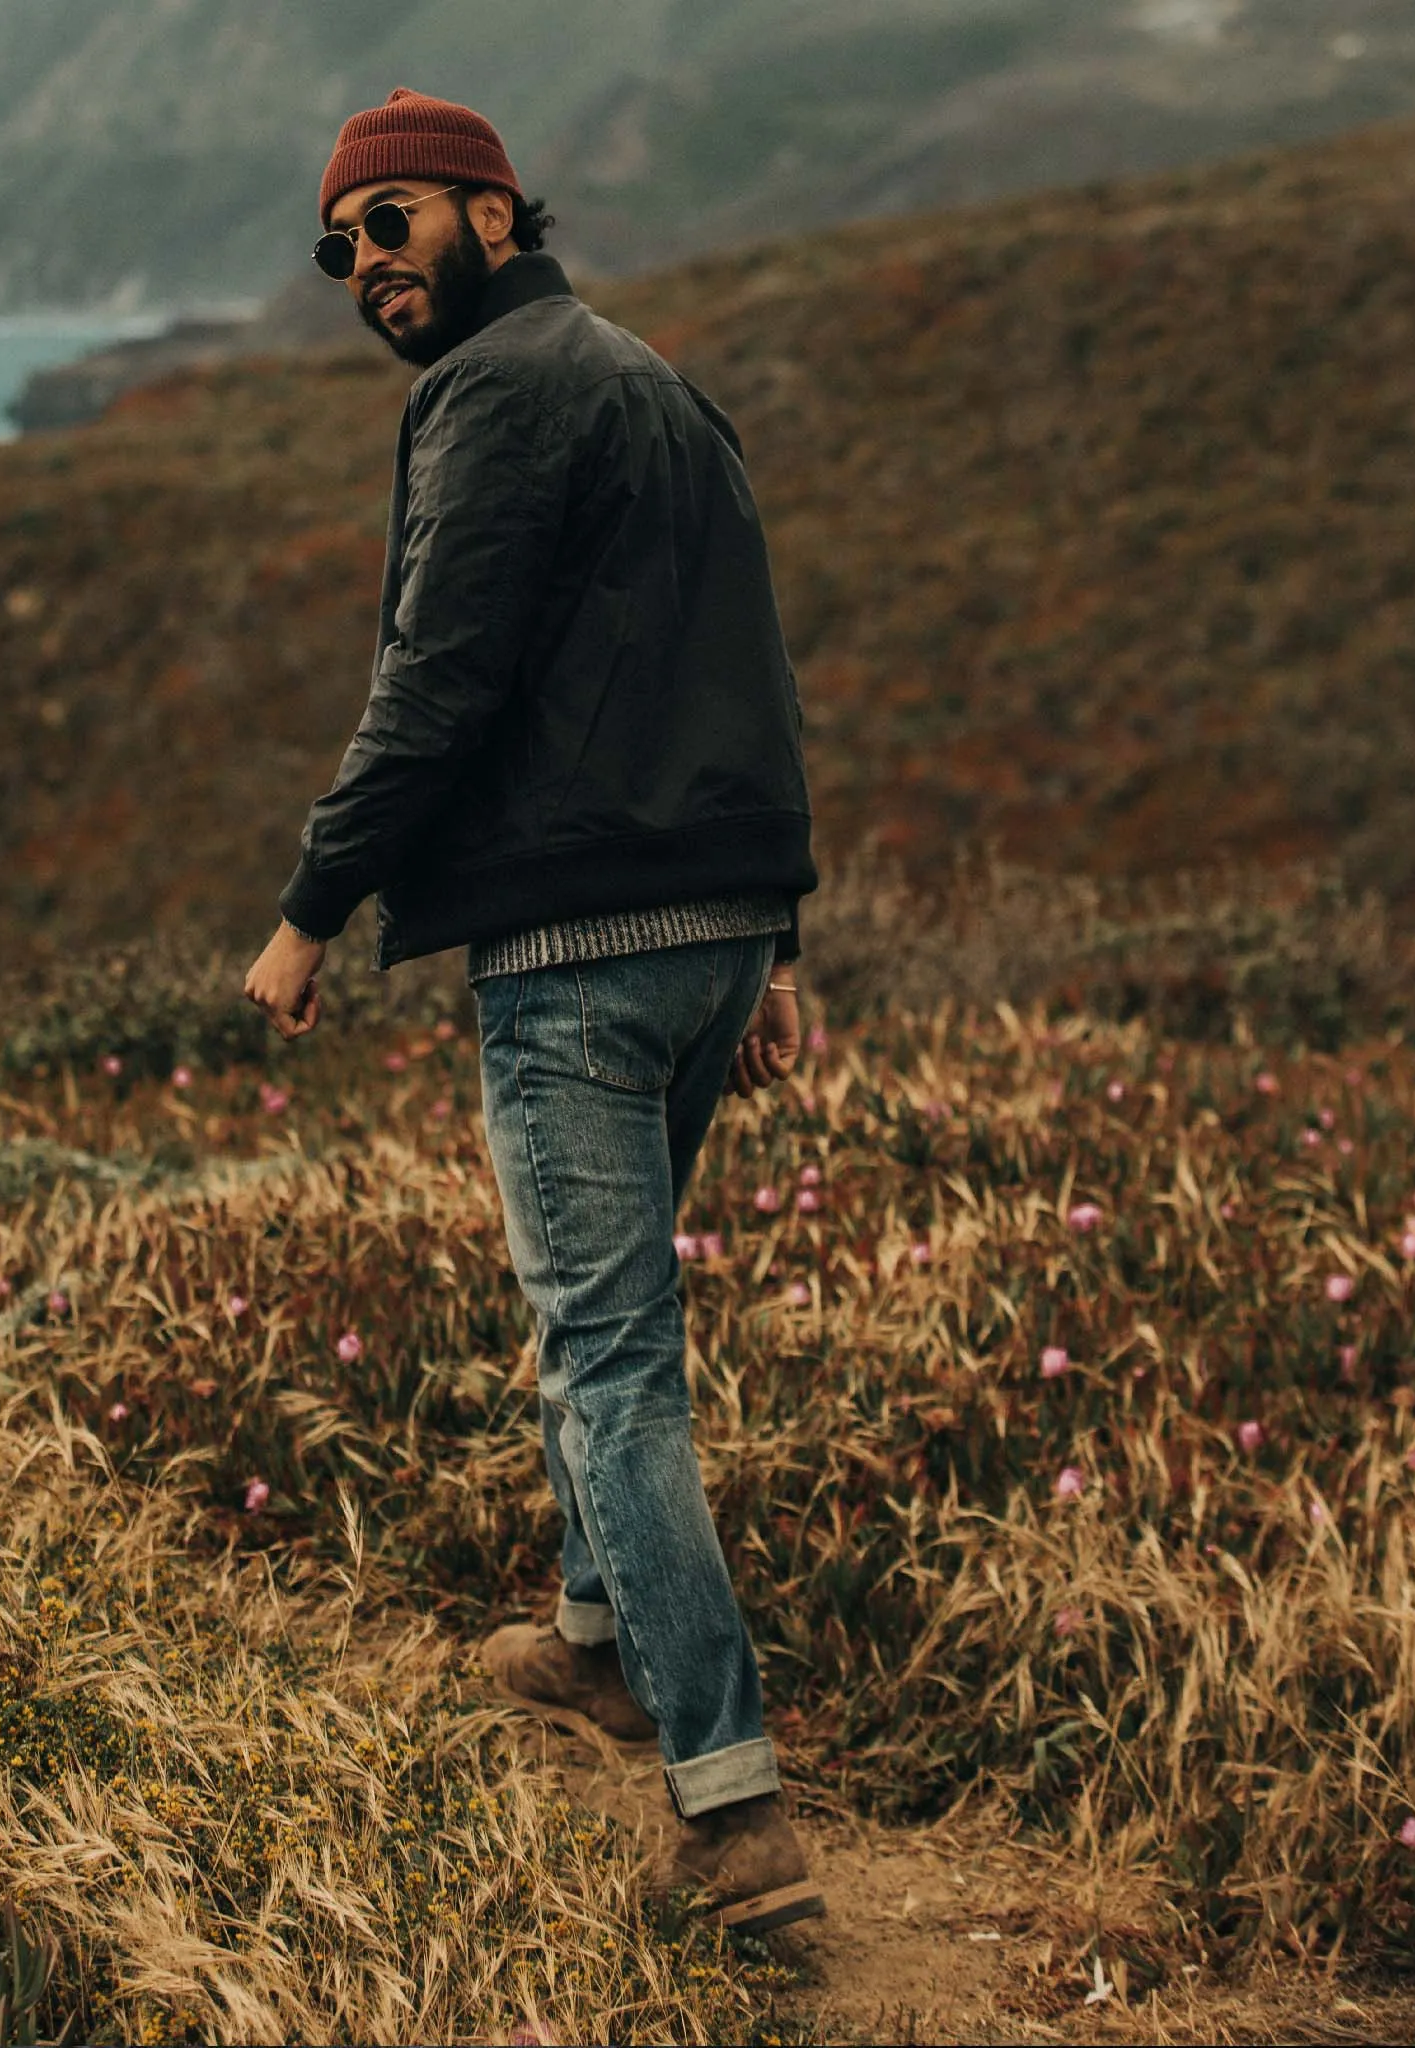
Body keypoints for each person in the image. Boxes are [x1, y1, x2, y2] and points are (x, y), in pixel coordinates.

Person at [242, 86, 823, 1934]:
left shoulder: (489, 396)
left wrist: (311, 906)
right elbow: (752, 660)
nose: (364, 267)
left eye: (393, 222)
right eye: (341, 247)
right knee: (618, 1310)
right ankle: (592, 1637)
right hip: (710, 929)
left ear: (492, 211)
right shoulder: (656, 382)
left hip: (577, 953)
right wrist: (775, 933)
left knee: (607, 1355)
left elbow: (439, 675)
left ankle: (731, 1818)